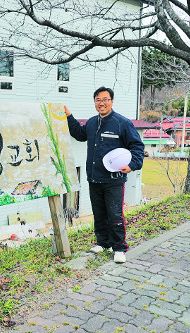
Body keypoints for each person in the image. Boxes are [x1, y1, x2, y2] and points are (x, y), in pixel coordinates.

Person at [65, 86, 144, 263]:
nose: (102, 103)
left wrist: (132, 165)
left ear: (111, 101)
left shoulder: (122, 123)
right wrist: (69, 117)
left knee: (115, 213)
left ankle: (119, 248)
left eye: (105, 99)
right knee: (99, 212)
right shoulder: (92, 123)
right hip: (94, 177)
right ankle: (103, 242)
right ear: (95, 103)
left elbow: (137, 146)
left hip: (114, 180)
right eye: (98, 100)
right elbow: (79, 134)